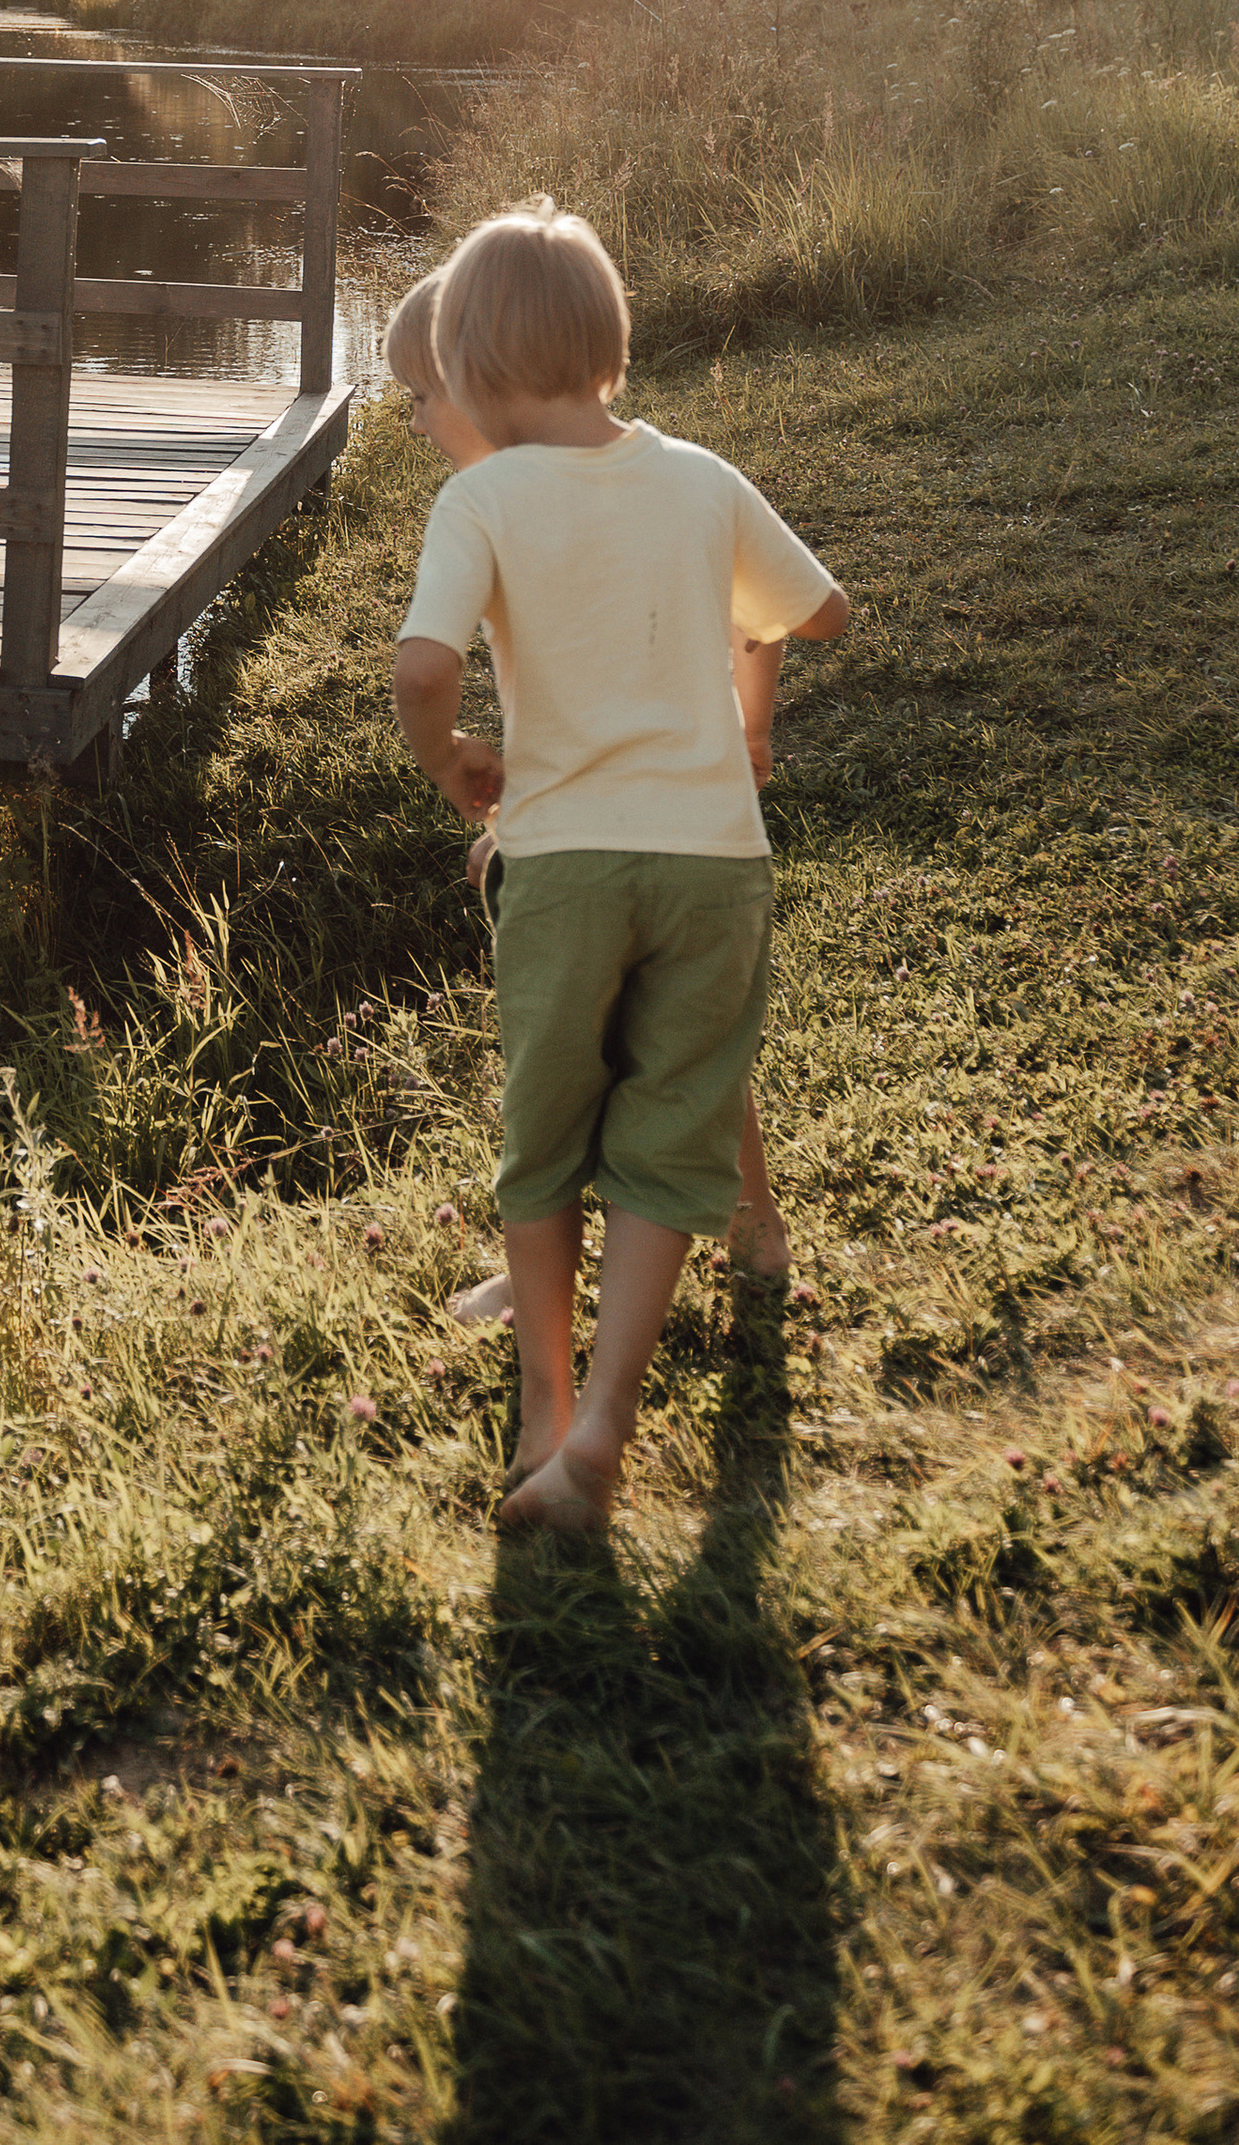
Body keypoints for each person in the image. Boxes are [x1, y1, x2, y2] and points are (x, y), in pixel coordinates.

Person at [387, 204, 850, 1537]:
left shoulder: (477, 495)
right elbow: (818, 608)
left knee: (544, 1135)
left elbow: (423, 669)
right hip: (714, 861)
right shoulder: (701, 476)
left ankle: (546, 1409)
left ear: (468, 362)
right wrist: (747, 705)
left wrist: (453, 759)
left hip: (569, 860)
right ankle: (603, 1427)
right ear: (611, 341)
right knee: (669, 1133)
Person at [380, 271, 794, 1309]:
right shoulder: (571, 490)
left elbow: (438, 673)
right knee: (671, 1019)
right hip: (662, 819)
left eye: (421, 397)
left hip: (620, 823)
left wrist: (472, 778)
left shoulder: (502, 500)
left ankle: (552, 1270)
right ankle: (750, 1217)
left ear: (480, 385)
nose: (419, 422)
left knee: (576, 1046)